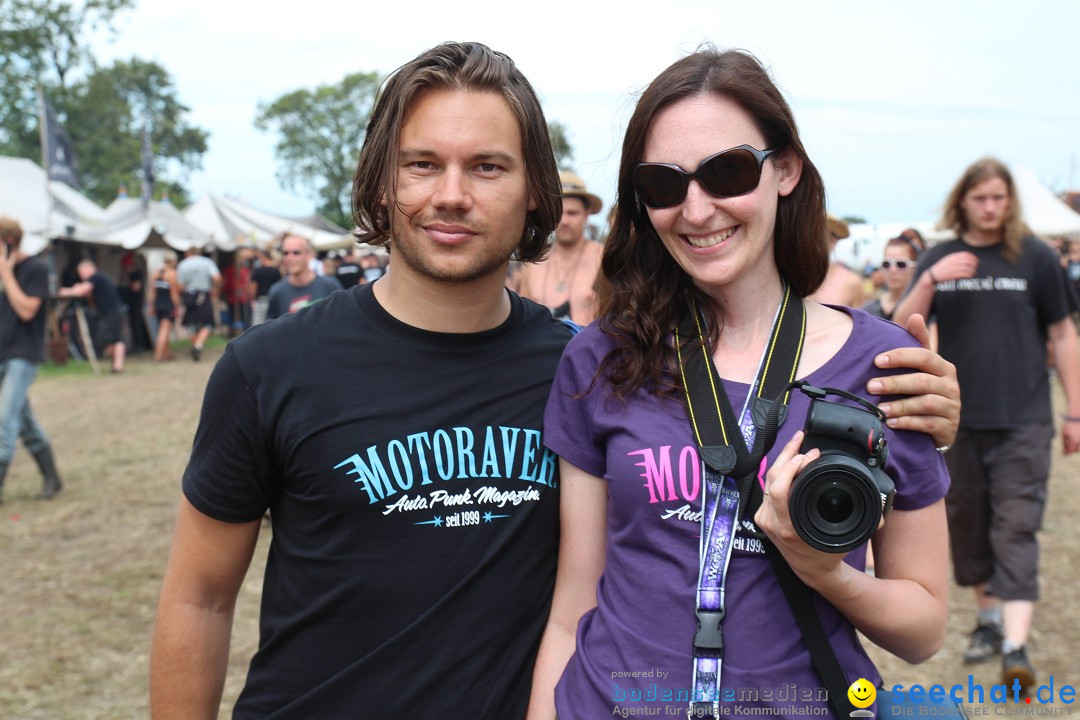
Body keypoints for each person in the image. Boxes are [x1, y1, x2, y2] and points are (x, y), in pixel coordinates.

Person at [150, 42, 959, 720]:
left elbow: (918, 615)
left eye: (489, 166)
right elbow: (198, 601)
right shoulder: (269, 369)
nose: (453, 194)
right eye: (422, 164)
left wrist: (927, 410)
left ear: (536, 187)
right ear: (383, 181)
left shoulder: (583, 359)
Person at [527, 48, 951, 719]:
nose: (696, 211)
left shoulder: (888, 367)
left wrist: (826, 573)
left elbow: (924, 628)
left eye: (726, 173)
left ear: (785, 170)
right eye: (664, 185)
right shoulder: (602, 357)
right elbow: (571, 611)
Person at [893, 157, 1080, 695]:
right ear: (963, 201)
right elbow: (902, 326)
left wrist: (1074, 410)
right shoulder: (944, 256)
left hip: (1025, 418)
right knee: (970, 527)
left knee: (1016, 527)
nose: (992, 207)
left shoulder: (1036, 256)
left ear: (1011, 201)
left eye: (1000, 197)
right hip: (956, 423)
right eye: (982, 198)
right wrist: (929, 276)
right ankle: (989, 623)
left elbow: (1064, 335)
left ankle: (1016, 648)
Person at [0, 217, 63, 502]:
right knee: (24, 421)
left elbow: (27, 311)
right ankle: (52, 477)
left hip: (23, 354)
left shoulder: (35, 269)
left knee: (4, 420)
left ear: (8, 243)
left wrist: (7, 274)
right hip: (2, 352)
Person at [516, 170, 605, 324]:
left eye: (572, 213)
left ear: (586, 214)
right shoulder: (533, 262)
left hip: (589, 346)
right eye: (560, 213)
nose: (565, 221)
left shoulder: (603, 257)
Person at [58, 259, 127, 373]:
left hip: (112, 312)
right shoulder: (99, 277)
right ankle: (117, 365)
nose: (81, 277)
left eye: (81, 273)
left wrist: (67, 291)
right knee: (112, 339)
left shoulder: (96, 277)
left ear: (87, 269)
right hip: (111, 311)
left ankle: (118, 366)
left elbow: (83, 290)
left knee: (113, 339)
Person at [264, 235, 343, 320]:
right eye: (286, 253)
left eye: (296, 253)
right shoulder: (277, 291)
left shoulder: (330, 285)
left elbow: (343, 317)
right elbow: (272, 327)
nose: (290, 258)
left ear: (309, 255)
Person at [807, 214, 867, 307]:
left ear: (834, 240)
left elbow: (861, 320)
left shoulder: (851, 282)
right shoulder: (785, 278)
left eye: (818, 232)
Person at [176, 246, 221, 361]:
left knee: (189, 322)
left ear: (188, 252)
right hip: (203, 294)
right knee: (208, 322)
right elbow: (217, 277)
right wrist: (215, 288)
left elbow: (180, 285)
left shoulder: (182, 264)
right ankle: (198, 344)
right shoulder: (207, 262)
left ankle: (195, 345)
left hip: (189, 294)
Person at [862, 235, 920, 321]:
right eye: (886, 264)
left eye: (901, 264)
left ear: (915, 268)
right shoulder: (868, 311)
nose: (892, 270)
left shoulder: (924, 307)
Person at [149, 253, 181, 362]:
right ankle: (158, 355)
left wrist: (151, 306)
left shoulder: (155, 273)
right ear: (173, 261)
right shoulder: (173, 274)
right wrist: (177, 306)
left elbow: (152, 292)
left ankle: (167, 353)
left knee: (164, 328)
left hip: (158, 304)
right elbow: (174, 294)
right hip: (168, 304)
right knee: (164, 329)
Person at [247, 247, 282, 326]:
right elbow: (280, 285)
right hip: (273, 301)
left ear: (263, 257)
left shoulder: (257, 271)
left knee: (257, 325)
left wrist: (252, 299)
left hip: (260, 301)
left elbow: (253, 287)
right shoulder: (276, 271)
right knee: (273, 324)